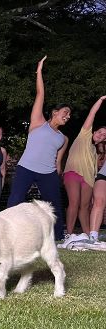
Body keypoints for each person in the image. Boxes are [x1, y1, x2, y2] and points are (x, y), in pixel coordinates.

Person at [6, 56, 69, 240]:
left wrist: (58, 172)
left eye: (70, 114)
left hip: (48, 173)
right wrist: (39, 71)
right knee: (15, 200)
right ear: (55, 112)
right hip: (26, 168)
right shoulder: (38, 122)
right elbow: (40, 94)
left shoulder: (63, 138)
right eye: (66, 112)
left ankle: (58, 237)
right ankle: (6, 233)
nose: (68, 116)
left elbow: (58, 160)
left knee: (54, 204)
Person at [63, 96, 106, 235]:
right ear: (94, 131)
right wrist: (100, 100)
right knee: (74, 203)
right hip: (73, 173)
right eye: (100, 132)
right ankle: (68, 234)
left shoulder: (95, 152)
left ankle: (88, 234)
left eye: (104, 135)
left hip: (88, 180)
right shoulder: (84, 135)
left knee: (85, 207)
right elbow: (92, 114)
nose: (101, 135)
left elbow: (94, 171)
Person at [82, 96, 106, 242]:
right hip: (103, 176)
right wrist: (101, 100)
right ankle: (93, 237)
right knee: (99, 201)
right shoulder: (95, 146)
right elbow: (92, 114)